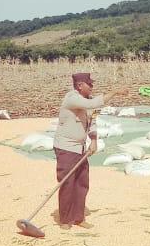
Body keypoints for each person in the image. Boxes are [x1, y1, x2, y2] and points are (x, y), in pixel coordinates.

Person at [53, 73, 126, 230]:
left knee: (82, 183)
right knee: (67, 183)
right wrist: (114, 92)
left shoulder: (88, 101)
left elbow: (92, 122)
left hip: (80, 149)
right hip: (66, 148)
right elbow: (92, 104)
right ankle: (65, 219)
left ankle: (79, 218)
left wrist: (93, 140)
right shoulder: (72, 98)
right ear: (80, 85)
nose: (92, 86)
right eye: (89, 84)